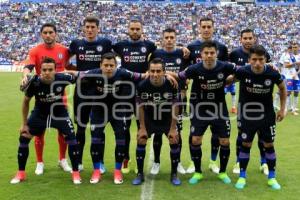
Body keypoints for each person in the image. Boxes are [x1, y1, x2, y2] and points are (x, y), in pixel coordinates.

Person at [169, 41, 233, 185]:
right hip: (199, 108)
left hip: (219, 108)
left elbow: (243, 70)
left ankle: (222, 172)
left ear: (216, 53)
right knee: (196, 140)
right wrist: (164, 73)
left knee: (225, 141)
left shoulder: (225, 66)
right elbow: (179, 76)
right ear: (201, 54)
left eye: (212, 53)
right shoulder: (194, 68)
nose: (209, 56)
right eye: (206, 53)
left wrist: (268, 65)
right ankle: (198, 172)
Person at [11, 57, 81, 185]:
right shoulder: (34, 82)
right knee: (24, 137)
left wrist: (67, 72)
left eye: (50, 70)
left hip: (59, 113)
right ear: (40, 70)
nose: (47, 72)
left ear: (55, 70)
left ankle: (75, 173)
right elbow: (26, 102)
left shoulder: (63, 78)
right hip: (40, 114)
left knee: (72, 139)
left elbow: (79, 76)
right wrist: (24, 124)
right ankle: (21, 173)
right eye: (44, 70)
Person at [21, 23, 71, 175]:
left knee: (63, 132)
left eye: (51, 32)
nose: (48, 35)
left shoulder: (64, 50)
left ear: (56, 34)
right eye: (45, 32)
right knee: (39, 132)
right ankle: (40, 162)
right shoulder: (35, 51)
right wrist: (24, 76)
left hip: (60, 99)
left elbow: (72, 66)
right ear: (41, 34)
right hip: (41, 99)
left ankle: (62, 160)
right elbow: (29, 66)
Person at [234, 45, 286, 190]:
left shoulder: (272, 73)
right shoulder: (242, 71)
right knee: (246, 144)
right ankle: (242, 177)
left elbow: (282, 88)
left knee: (269, 145)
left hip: (267, 115)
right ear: (249, 60)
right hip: (247, 115)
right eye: (254, 59)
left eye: (261, 60)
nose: (257, 63)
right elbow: (227, 81)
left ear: (265, 60)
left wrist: (282, 109)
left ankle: (272, 177)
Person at [69, 16, 112, 173]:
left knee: (98, 128)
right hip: (81, 91)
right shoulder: (76, 44)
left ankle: (99, 161)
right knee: (80, 128)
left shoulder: (105, 43)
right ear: (83, 28)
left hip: (101, 92)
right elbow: (65, 61)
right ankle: (79, 161)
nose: (90, 29)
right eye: (87, 27)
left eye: (93, 27)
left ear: (98, 28)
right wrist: (75, 73)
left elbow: (114, 60)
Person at [186, 17, 228, 174]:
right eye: (203, 26)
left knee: (217, 133)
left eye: (209, 26)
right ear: (199, 28)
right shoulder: (190, 47)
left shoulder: (222, 48)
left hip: (217, 97)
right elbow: (186, 69)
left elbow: (226, 69)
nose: (206, 29)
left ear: (213, 27)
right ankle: (192, 162)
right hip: (197, 98)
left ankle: (213, 161)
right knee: (194, 133)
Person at [132, 58, 181, 186]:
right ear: (148, 71)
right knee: (141, 139)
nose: (155, 74)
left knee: (174, 140)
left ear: (164, 72)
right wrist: (142, 127)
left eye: (158, 71)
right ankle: (140, 174)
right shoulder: (142, 85)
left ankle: (174, 174)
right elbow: (140, 106)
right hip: (150, 117)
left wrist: (173, 128)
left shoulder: (172, 85)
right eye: (152, 71)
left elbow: (176, 106)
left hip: (167, 117)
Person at [230, 29, 271, 175]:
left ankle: (264, 162)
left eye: (250, 38)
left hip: (263, 104)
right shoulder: (234, 54)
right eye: (245, 38)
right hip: (245, 103)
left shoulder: (263, 52)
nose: (248, 40)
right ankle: (238, 161)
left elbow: (270, 69)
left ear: (254, 39)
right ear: (240, 39)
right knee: (242, 134)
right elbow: (230, 72)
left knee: (263, 134)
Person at [149, 28, 189, 175]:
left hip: (176, 99)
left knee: (177, 133)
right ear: (162, 39)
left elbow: (186, 73)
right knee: (157, 132)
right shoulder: (156, 53)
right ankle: (156, 162)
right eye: (167, 37)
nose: (169, 40)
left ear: (176, 38)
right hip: (158, 99)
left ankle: (177, 162)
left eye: (172, 37)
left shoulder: (182, 53)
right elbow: (151, 71)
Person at [279, 42, 300, 115]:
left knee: (296, 92)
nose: (294, 48)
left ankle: (293, 109)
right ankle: (285, 109)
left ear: (298, 48)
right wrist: (295, 63)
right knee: (288, 92)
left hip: (296, 76)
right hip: (289, 76)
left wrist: (296, 74)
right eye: (293, 47)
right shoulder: (288, 56)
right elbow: (286, 65)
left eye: (296, 47)